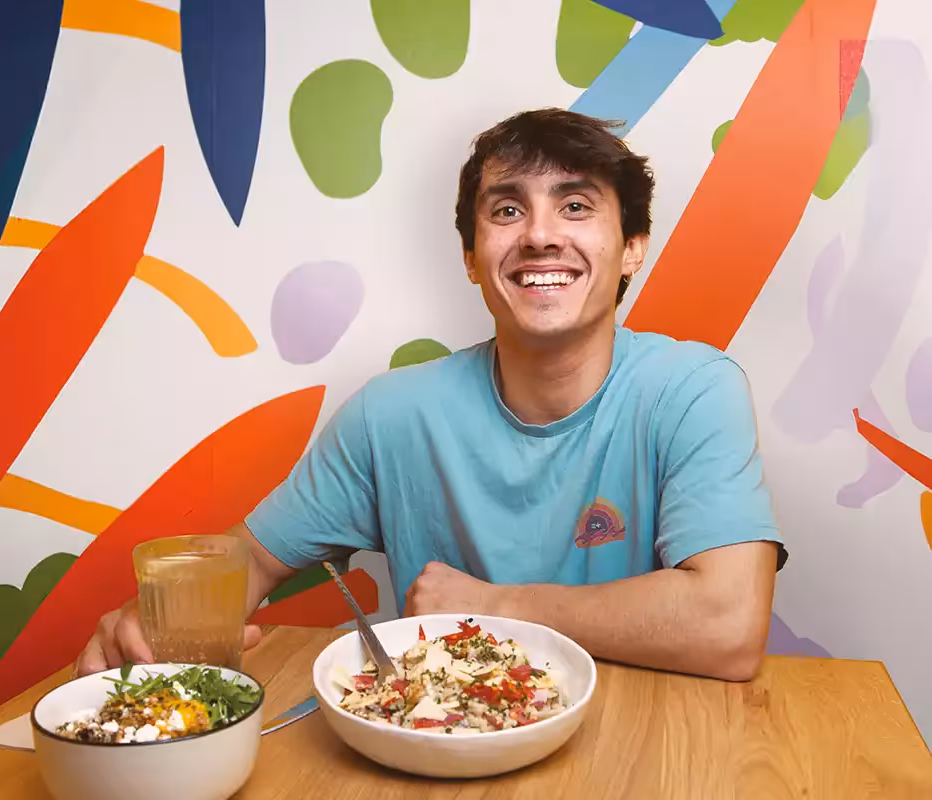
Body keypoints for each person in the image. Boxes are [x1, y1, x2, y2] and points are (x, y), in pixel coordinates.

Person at [75, 109, 785, 682]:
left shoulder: (693, 391)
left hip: (640, 753)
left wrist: (492, 607)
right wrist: (158, 617)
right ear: (471, 256)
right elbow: (253, 560)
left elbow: (726, 627)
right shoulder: (391, 414)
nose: (539, 235)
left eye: (574, 205)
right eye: (506, 210)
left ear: (632, 246)